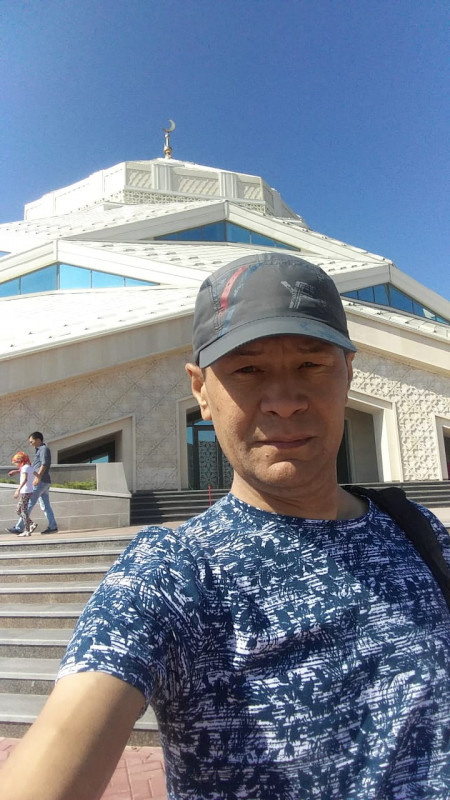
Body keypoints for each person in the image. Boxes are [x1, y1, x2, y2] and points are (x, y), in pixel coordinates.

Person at [0, 254, 449, 800]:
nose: (285, 402)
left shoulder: (417, 530)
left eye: (311, 364)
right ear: (200, 390)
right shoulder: (172, 575)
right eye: (247, 370)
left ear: (349, 373)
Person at [6, 432, 58, 535]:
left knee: (27, 504)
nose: (30, 443)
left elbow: (44, 464)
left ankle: (20, 527)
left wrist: (38, 477)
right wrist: (18, 471)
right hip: (44, 481)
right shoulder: (39, 450)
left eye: (31, 441)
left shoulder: (43, 449)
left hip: (40, 481)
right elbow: (32, 469)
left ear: (38, 440)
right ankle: (53, 526)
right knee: (45, 506)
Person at [10, 451, 38, 537]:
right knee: (19, 510)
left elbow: (25, 479)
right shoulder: (29, 467)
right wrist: (36, 481)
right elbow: (37, 475)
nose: (16, 464)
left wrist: (18, 490)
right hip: (28, 491)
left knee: (23, 511)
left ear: (20, 461)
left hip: (25, 491)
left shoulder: (24, 468)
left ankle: (27, 530)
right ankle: (31, 524)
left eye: (16, 462)